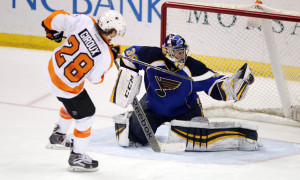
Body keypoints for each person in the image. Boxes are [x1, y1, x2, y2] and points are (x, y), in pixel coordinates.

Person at [112, 34, 261, 151]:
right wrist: (129, 75)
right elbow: (127, 56)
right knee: (136, 136)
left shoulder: (194, 68)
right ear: (168, 52)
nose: (181, 56)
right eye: (177, 52)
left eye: (182, 52)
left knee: (194, 140)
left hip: (186, 110)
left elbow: (217, 88)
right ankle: (133, 119)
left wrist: (236, 85)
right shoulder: (150, 55)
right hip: (152, 108)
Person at [42, 9, 126, 171]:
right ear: (113, 32)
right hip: (65, 85)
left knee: (76, 101)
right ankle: (77, 156)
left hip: (52, 68)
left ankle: (58, 136)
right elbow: (96, 79)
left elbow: (55, 17)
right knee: (87, 115)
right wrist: (111, 57)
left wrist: (50, 30)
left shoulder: (85, 21)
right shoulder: (105, 56)